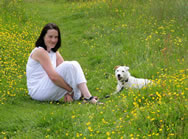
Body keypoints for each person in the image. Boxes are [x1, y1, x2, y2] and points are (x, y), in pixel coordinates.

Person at [26, 23, 101, 104]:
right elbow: (53, 77)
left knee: (73, 65)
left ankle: (86, 96)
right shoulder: (40, 51)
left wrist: (67, 93)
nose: (53, 40)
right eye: (50, 37)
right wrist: (69, 91)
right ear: (43, 36)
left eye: (56, 37)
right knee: (69, 65)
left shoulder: (53, 51)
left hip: (46, 86)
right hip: (37, 90)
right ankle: (86, 97)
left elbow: (67, 72)